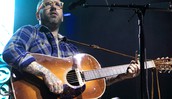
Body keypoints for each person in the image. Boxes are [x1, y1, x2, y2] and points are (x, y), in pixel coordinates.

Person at [2, 0, 140, 98]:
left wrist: (124, 75)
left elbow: (92, 82)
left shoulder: (71, 49)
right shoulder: (30, 31)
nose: (53, 7)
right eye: (47, 4)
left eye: (58, 4)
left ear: (62, 17)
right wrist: (45, 73)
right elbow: (11, 51)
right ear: (38, 15)